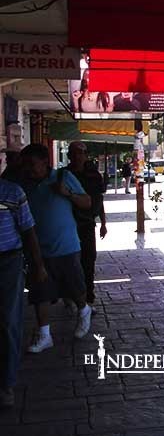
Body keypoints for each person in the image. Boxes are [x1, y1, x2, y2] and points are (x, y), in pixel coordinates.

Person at [17, 144, 92, 353]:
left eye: (32, 164)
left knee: (74, 288)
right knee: (40, 292)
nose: (29, 169)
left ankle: (84, 309)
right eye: (25, 165)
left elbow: (87, 202)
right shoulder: (23, 183)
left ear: (45, 162)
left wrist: (67, 194)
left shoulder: (63, 177)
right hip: (37, 248)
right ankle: (44, 335)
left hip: (66, 246)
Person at [0, 156, 48, 408]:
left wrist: (38, 266)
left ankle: (6, 383)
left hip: (8, 262)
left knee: (9, 321)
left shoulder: (12, 192)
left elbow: (29, 231)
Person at [63, 142, 107, 307]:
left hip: (87, 224)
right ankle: (70, 295)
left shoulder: (94, 175)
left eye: (81, 153)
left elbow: (99, 200)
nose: (78, 156)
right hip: (68, 225)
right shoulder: (64, 175)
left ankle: (88, 297)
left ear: (85, 155)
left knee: (88, 261)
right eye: (74, 153)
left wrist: (103, 223)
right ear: (69, 156)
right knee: (69, 262)